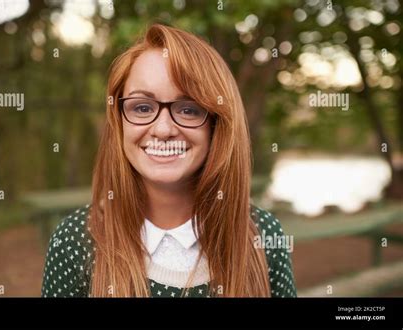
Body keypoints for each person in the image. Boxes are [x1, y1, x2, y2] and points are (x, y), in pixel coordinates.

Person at [41, 23, 297, 298]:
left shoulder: (263, 236)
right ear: (119, 121)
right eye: (142, 107)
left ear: (216, 124)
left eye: (188, 109)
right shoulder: (76, 241)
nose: (163, 130)